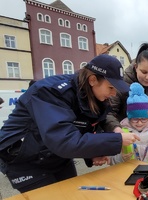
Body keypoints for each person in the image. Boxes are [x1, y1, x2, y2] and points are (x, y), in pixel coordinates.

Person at [0, 54, 140, 193]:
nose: (114, 94)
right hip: (24, 159)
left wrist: (93, 152)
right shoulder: (51, 92)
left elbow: (85, 126)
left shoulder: (91, 95)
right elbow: (65, 140)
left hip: (56, 156)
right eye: (111, 88)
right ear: (92, 80)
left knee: (72, 194)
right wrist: (118, 139)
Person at [105, 43, 148, 134]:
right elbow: (109, 111)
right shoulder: (122, 83)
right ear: (136, 67)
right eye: (144, 72)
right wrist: (117, 129)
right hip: (124, 137)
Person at [93, 83, 148, 166]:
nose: (139, 123)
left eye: (144, 119)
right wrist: (121, 158)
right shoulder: (121, 133)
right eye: (135, 119)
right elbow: (110, 159)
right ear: (129, 117)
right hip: (126, 174)